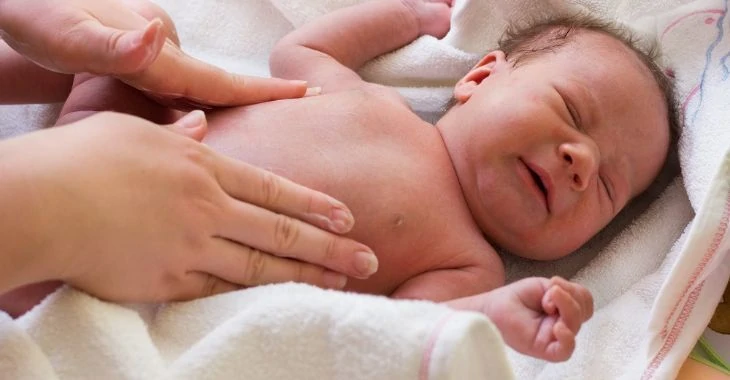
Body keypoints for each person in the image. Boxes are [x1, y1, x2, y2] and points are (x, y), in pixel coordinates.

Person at [5, 0, 683, 361]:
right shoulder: (371, 101)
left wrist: (501, 317)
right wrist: (410, 16)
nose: (580, 161)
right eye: (570, 112)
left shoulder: (467, 261)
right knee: (138, 36)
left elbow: (404, 328)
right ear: (477, 77)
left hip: (128, 283)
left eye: (605, 188)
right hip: (121, 147)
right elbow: (303, 50)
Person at [0, 0, 381, 309]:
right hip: (97, 230)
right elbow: (308, 49)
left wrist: (18, 12)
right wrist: (59, 203)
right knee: (40, 293)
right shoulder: (376, 102)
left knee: (142, 25)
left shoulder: (442, 252)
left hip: (129, 143)